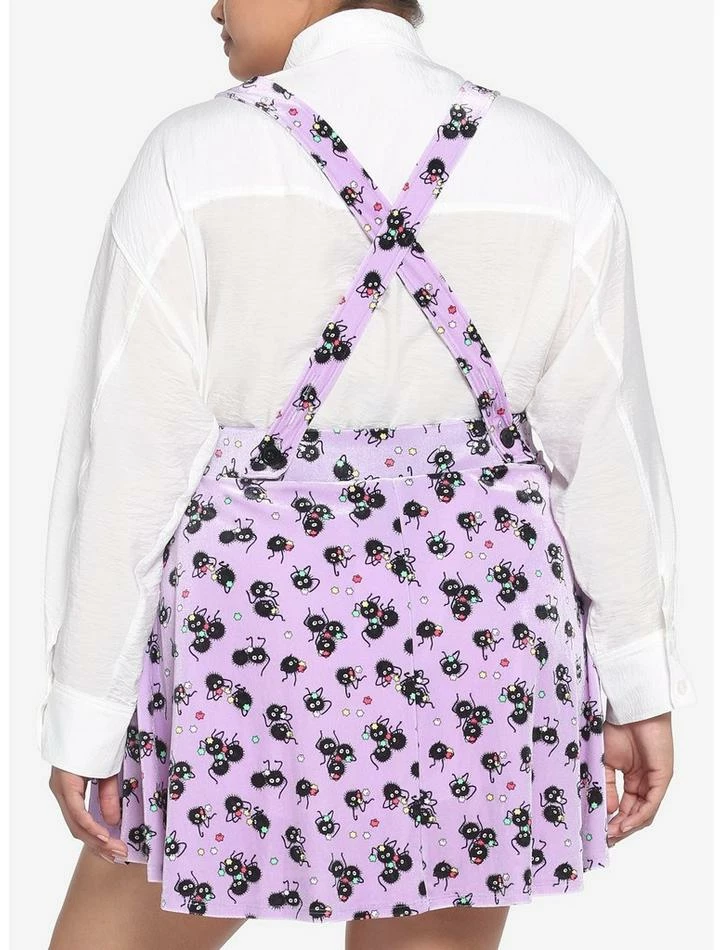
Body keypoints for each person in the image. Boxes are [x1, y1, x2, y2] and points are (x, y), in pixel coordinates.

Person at [40, 2, 695, 948]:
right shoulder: (551, 165)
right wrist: (638, 683)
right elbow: (605, 453)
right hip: (480, 631)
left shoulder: (194, 158)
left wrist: (87, 713)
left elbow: (131, 460)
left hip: (258, 635)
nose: (214, 4)